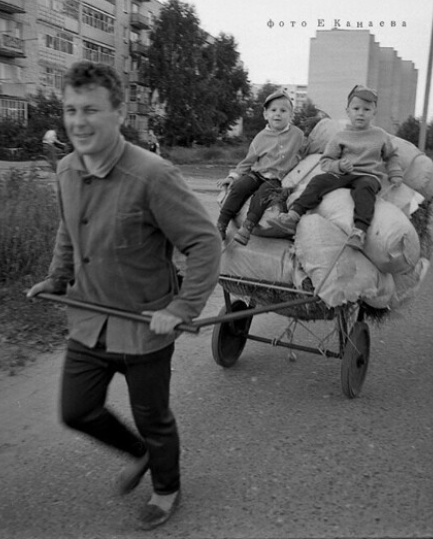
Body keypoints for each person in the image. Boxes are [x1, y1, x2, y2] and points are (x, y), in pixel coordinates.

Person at [26, 62, 221, 530]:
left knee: (153, 417)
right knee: (77, 410)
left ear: (118, 113)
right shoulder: (66, 169)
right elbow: (69, 228)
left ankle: (167, 488)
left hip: (144, 326)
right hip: (89, 319)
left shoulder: (152, 175)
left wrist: (182, 307)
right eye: (71, 110)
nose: (78, 122)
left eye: (90, 110)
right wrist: (57, 277)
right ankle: (141, 454)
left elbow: (204, 242)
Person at [269, 85, 403, 250]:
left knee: (365, 189)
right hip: (344, 174)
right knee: (318, 181)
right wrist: (339, 165)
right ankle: (295, 213)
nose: (361, 113)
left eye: (366, 109)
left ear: (374, 113)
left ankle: (359, 231)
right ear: (348, 111)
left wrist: (395, 172)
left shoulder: (380, 135)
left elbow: (391, 156)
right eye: (356, 109)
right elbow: (326, 161)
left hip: (368, 175)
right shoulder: (340, 136)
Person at [216, 89, 305, 245]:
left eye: (283, 111)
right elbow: (248, 161)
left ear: (291, 115)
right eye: (273, 110)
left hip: (277, 179)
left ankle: (247, 227)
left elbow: (307, 148)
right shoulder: (261, 138)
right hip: (257, 174)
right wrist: (232, 176)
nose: (278, 114)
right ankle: (221, 224)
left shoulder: (297, 135)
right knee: (239, 187)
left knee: (263, 194)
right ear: (265, 114)